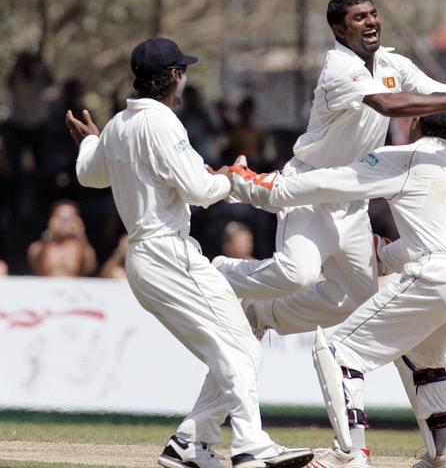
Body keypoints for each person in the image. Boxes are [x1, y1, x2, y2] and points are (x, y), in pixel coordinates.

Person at [215, 0, 446, 468]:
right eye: (360, 17)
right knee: (297, 273)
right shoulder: (339, 68)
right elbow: (389, 104)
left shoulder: (395, 63)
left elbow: (442, 103)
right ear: (341, 30)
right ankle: (224, 275)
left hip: (354, 200)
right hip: (313, 188)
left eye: (374, 14)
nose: (371, 21)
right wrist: (250, 186)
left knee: (355, 302)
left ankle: (263, 317)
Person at [66, 37, 312, 468]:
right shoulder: (161, 122)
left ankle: (190, 445)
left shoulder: (121, 124)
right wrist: (231, 178)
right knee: (240, 349)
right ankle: (251, 446)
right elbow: (199, 189)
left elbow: (89, 175)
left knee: (229, 350)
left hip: (144, 260)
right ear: (175, 76)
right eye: (184, 72)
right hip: (170, 254)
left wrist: (91, 141)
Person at [228, 110, 446, 468]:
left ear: (414, 123)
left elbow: (330, 182)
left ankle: (350, 453)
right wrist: (383, 255)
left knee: (339, 352)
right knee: (424, 360)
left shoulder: (402, 157)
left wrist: (253, 184)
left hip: (440, 277)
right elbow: (440, 238)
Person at [27, 200, 97, 277]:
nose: (65, 222)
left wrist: (81, 234)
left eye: (71, 218)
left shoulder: (81, 248)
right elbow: (36, 267)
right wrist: (49, 233)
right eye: (60, 217)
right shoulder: (38, 247)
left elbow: (90, 268)